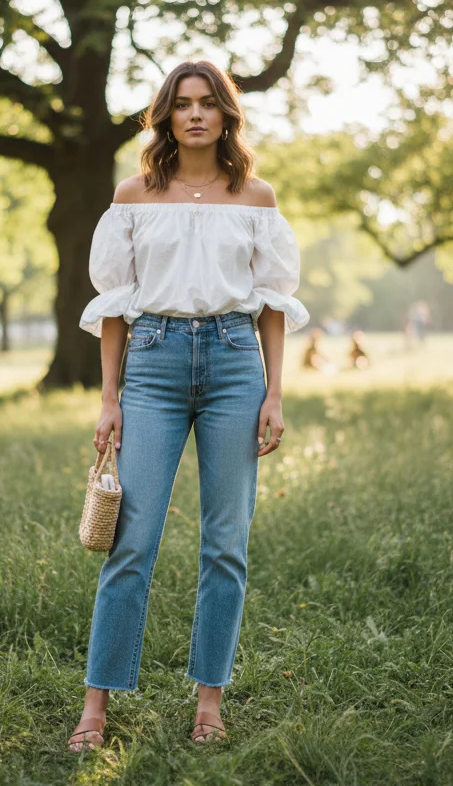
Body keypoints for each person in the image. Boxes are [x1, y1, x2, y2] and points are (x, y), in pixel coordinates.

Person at [72, 60, 309, 752]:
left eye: (208, 103)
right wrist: (110, 399)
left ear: (227, 115)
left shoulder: (257, 198)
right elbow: (116, 305)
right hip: (154, 361)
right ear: (166, 116)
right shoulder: (134, 195)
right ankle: (96, 705)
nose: (197, 114)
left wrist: (274, 392)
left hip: (237, 365)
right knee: (130, 542)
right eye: (183, 104)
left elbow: (272, 305)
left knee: (225, 543)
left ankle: (210, 701)